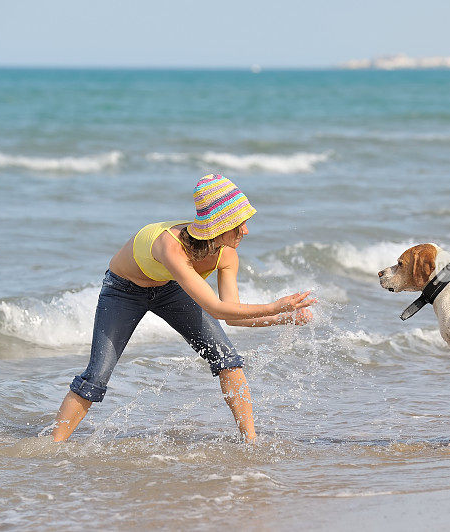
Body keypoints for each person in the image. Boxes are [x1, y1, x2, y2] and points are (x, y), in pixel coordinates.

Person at [52, 174, 316, 442]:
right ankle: (52, 447)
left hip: (171, 287)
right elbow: (217, 309)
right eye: (240, 224)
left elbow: (233, 316)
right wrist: (275, 305)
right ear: (220, 225)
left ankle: (251, 442)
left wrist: (284, 318)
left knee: (228, 360)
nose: (246, 231)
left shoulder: (227, 256)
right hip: (123, 291)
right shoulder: (171, 246)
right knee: (97, 375)